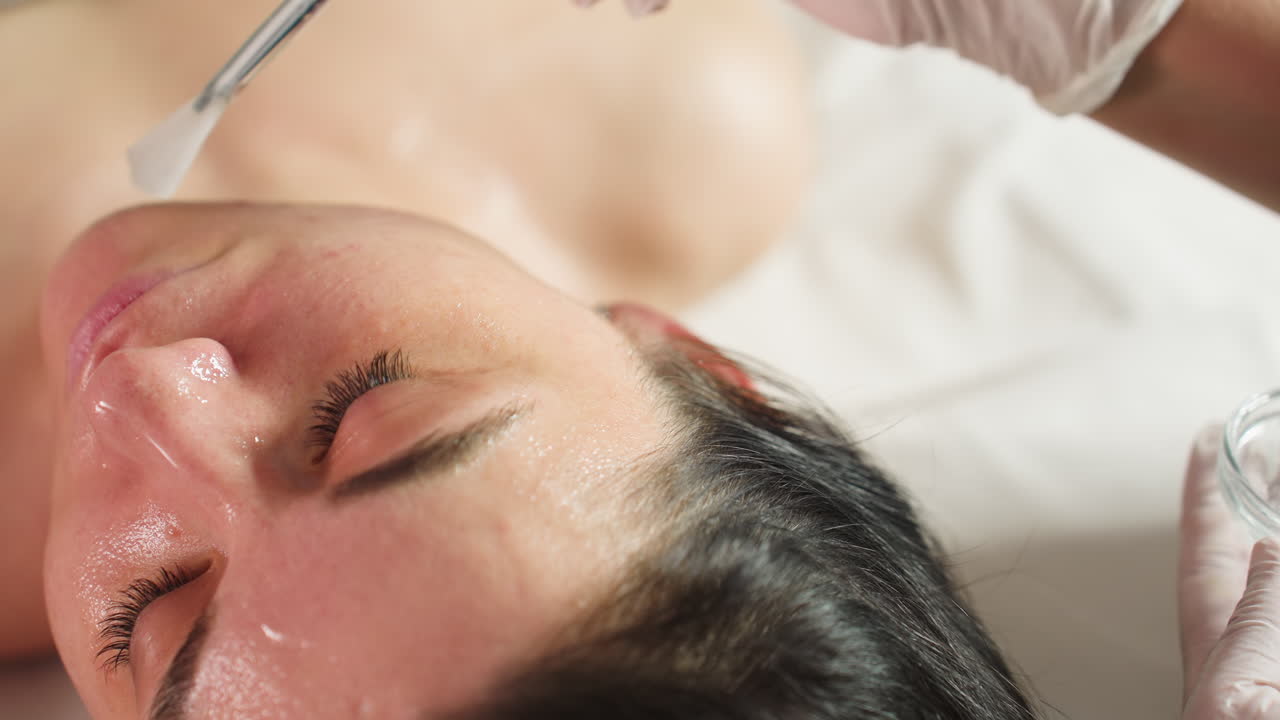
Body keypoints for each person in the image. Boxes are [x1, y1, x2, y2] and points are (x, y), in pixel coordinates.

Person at [0, 1, 1275, 719]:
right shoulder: (677, 118)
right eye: (366, 414)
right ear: (700, 365)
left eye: (154, 614)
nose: (141, 390)